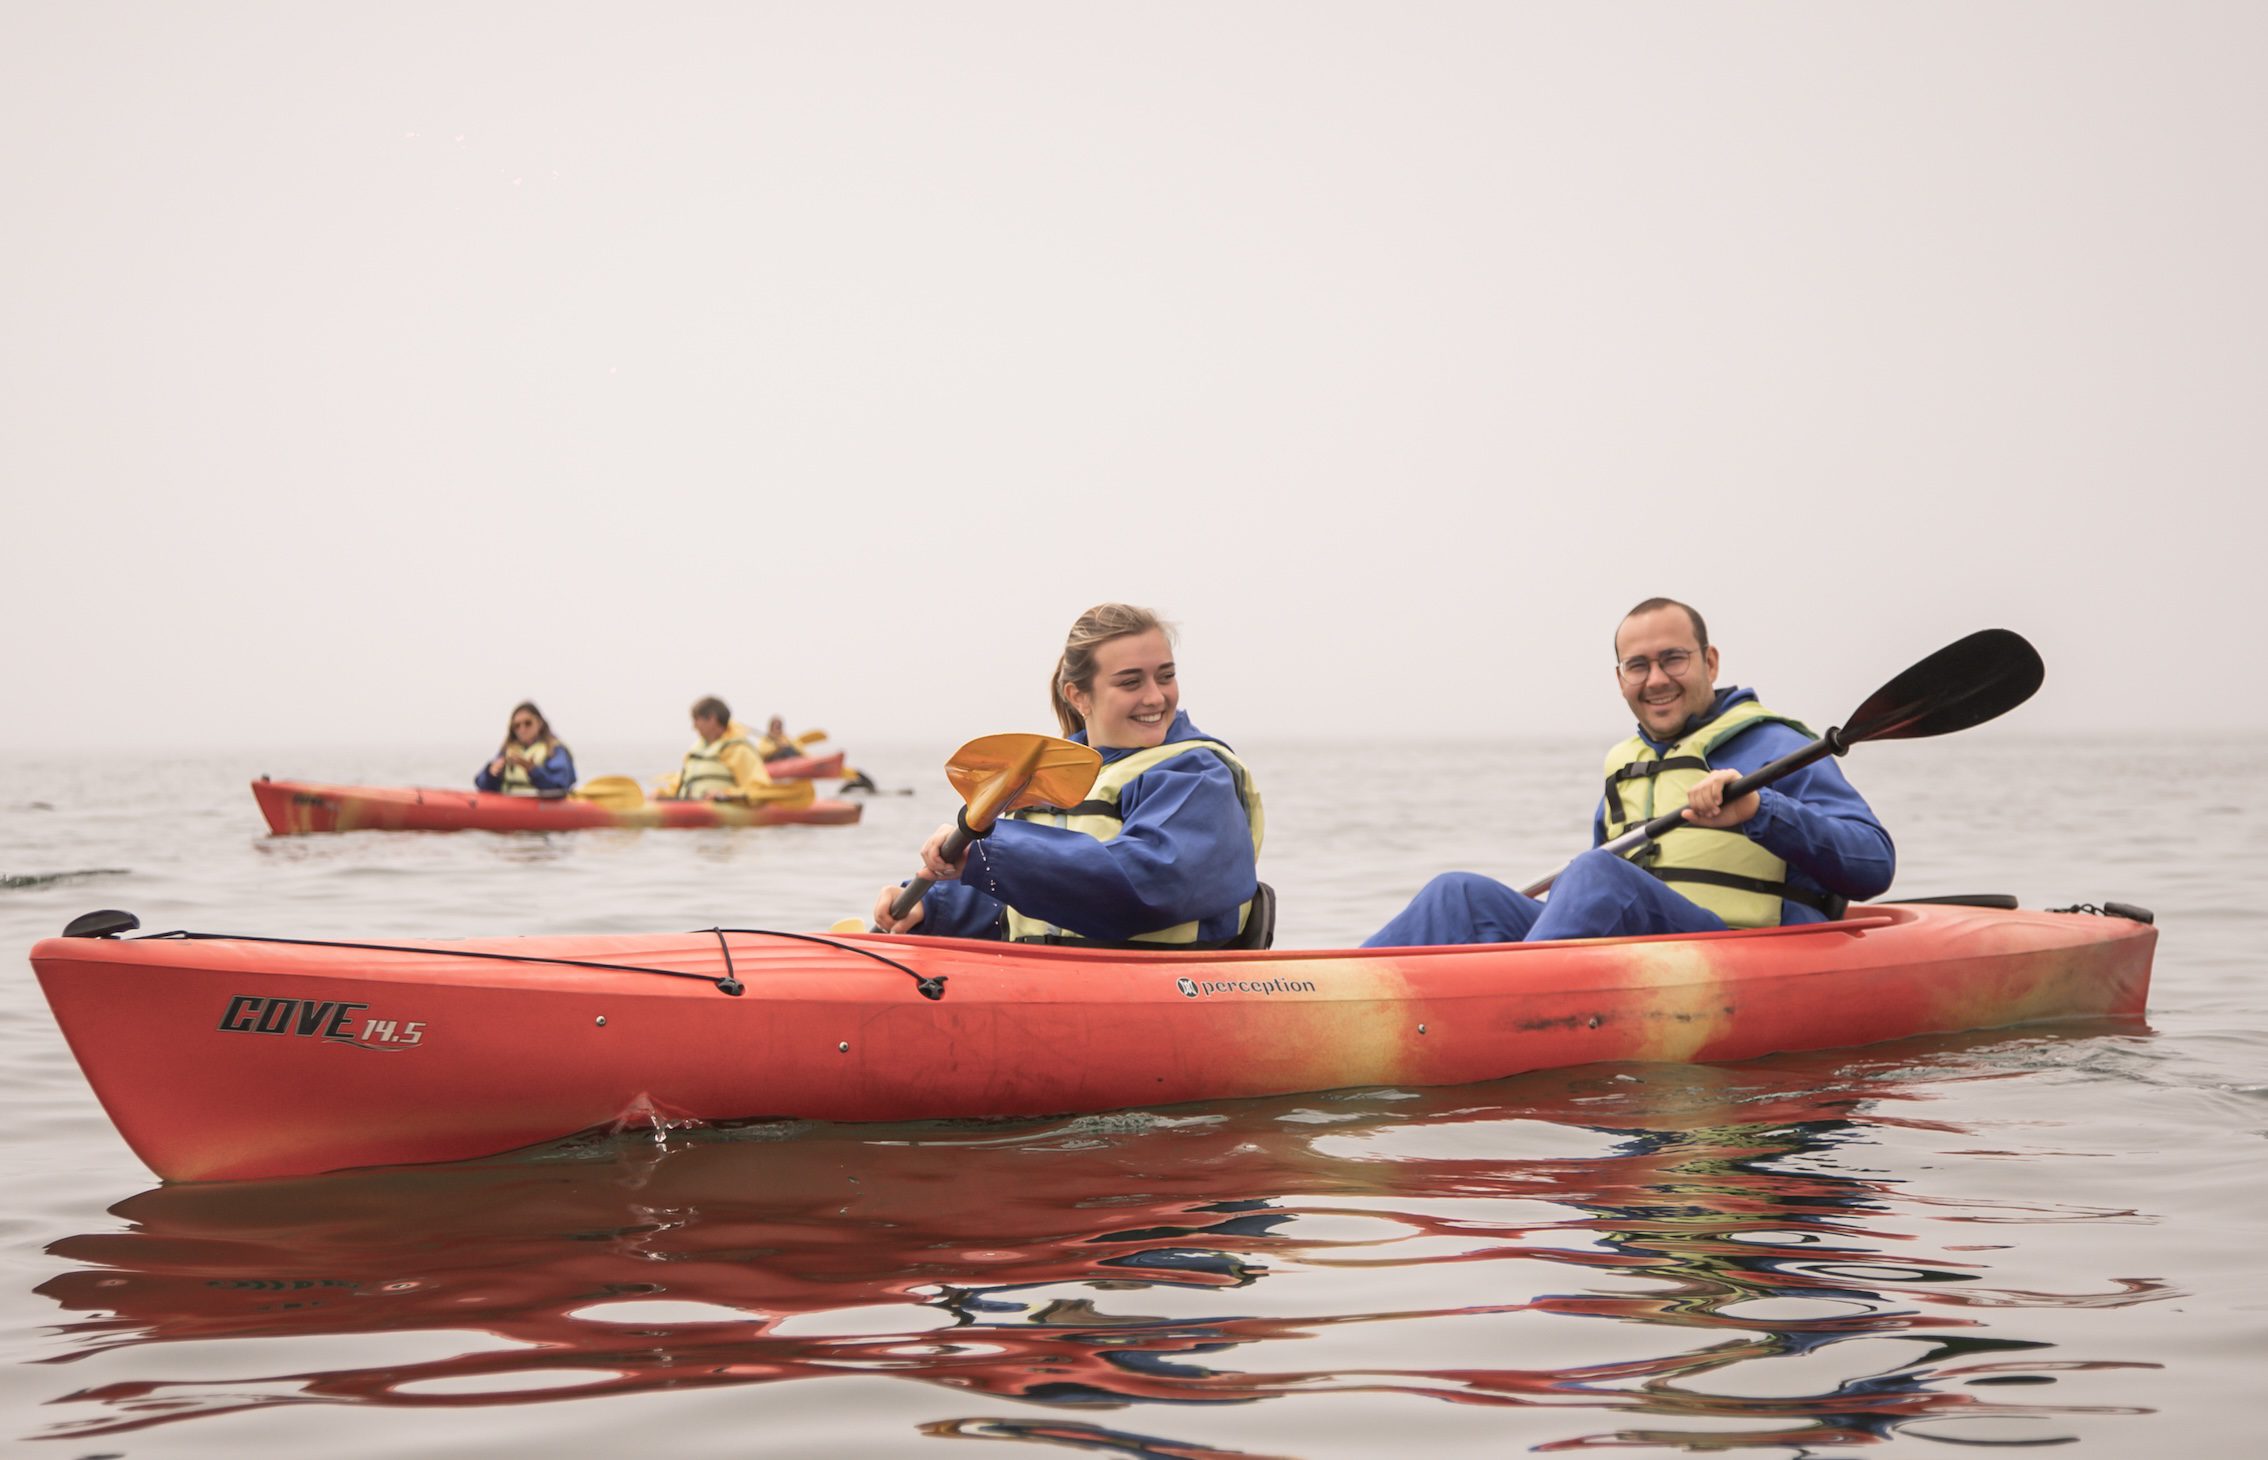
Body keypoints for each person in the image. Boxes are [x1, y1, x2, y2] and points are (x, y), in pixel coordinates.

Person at [1364, 597, 1894, 946]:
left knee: (1595, 872)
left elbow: (1873, 866)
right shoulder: (1626, 768)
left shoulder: (1778, 747)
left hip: (1739, 954)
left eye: (1673, 659)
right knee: (1457, 893)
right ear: (1620, 680)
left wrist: (1760, 810)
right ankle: (1323, 990)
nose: (1656, 679)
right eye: (1638, 666)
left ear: (1710, 662)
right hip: (1637, 962)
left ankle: (1505, 1003)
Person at [870, 602, 1265, 946]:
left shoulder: (1195, 775)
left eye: (1165, 676)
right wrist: (931, 906)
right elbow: (1024, 900)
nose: (1155, 696)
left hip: (1165, 986)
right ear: (1078, 695)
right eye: (1131, 682)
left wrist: (987, 856)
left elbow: (1151, 883)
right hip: (1056, 982)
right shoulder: (1045, 780)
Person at [652, 697, 775, 801]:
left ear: (712, 718)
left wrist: (726, 794)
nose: (693, 726)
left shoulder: (738, 750)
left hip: (724, 815)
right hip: (690, 807)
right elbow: (679, 785)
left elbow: (759, 788)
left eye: (696, 720)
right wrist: (662, 794)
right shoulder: (696, 750)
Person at [476, 702, 576, 795]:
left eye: (528, 723)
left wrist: (532, 770)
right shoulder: (507, 750)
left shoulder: (554, 749)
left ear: (539, 723)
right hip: (508, 804)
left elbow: (560, 785)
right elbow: (482, 785)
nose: (522, 729)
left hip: (541, 806)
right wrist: (491, 774)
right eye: (517, 726)